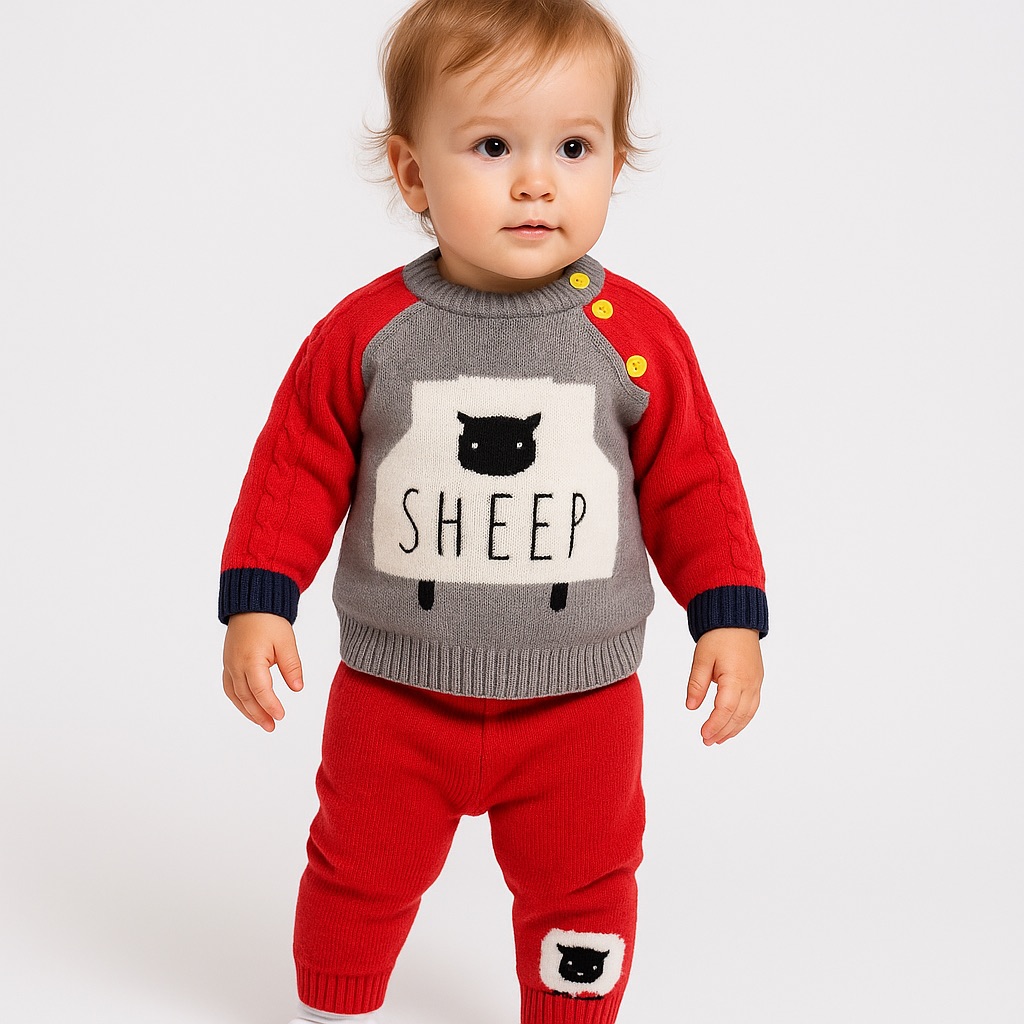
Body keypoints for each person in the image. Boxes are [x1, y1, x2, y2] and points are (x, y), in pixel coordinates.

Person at [218, 1, 768, 1021]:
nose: (535, 181)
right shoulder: (369, 333)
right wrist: (260, 598)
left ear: (614, 163)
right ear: (412, 173)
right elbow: (295, 466)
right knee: (358, 865)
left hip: (581, 705)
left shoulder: (633, 336)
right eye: (491, 146)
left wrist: (726, 614)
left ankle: (568, 1010)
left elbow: (695, 482)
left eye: (573, 147)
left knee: (586, 880)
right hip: (395, 696)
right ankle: (335, 1003)